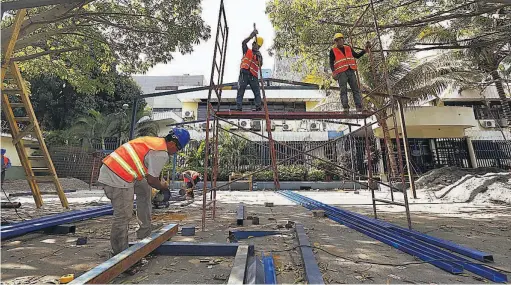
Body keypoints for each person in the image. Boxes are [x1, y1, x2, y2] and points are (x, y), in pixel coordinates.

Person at [97, 128, 190, 256]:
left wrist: (159, 182)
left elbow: (148, 173)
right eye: (178, 150)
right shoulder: (161, 152)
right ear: (174, 144)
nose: (175, 153)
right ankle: (119, 254)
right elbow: (152, 180)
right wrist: (163, 187)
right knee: (124, 215)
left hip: (120, 171)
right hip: (117, 177)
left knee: (145, 189)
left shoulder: (156, 142)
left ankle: (145, 230)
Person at [329, 33, 370, 112]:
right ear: (335, 42)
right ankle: (346, 108)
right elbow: (331, 62)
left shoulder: (348, 48)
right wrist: (333, 72)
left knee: (355, 89)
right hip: (341, 73)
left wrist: (365, 50)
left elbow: (356, 55)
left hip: (351, 71)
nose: (339, 41)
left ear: (343, 40)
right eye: (337, 40)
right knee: (343, 90)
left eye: (341, 39)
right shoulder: (333, 51)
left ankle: (359, 107)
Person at [236, 29, 264, 111]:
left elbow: (260, 65)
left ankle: (258, 107)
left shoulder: (258, 56)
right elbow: (243, 43)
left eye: (257, 45)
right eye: (254, 44)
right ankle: (239, 107)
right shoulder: (247, 51)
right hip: (244, 74)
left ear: (259, 47)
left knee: (257, 92)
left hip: (253, 76)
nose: (254, 46)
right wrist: (251, 36)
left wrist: (260, 57)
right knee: (240, 91)